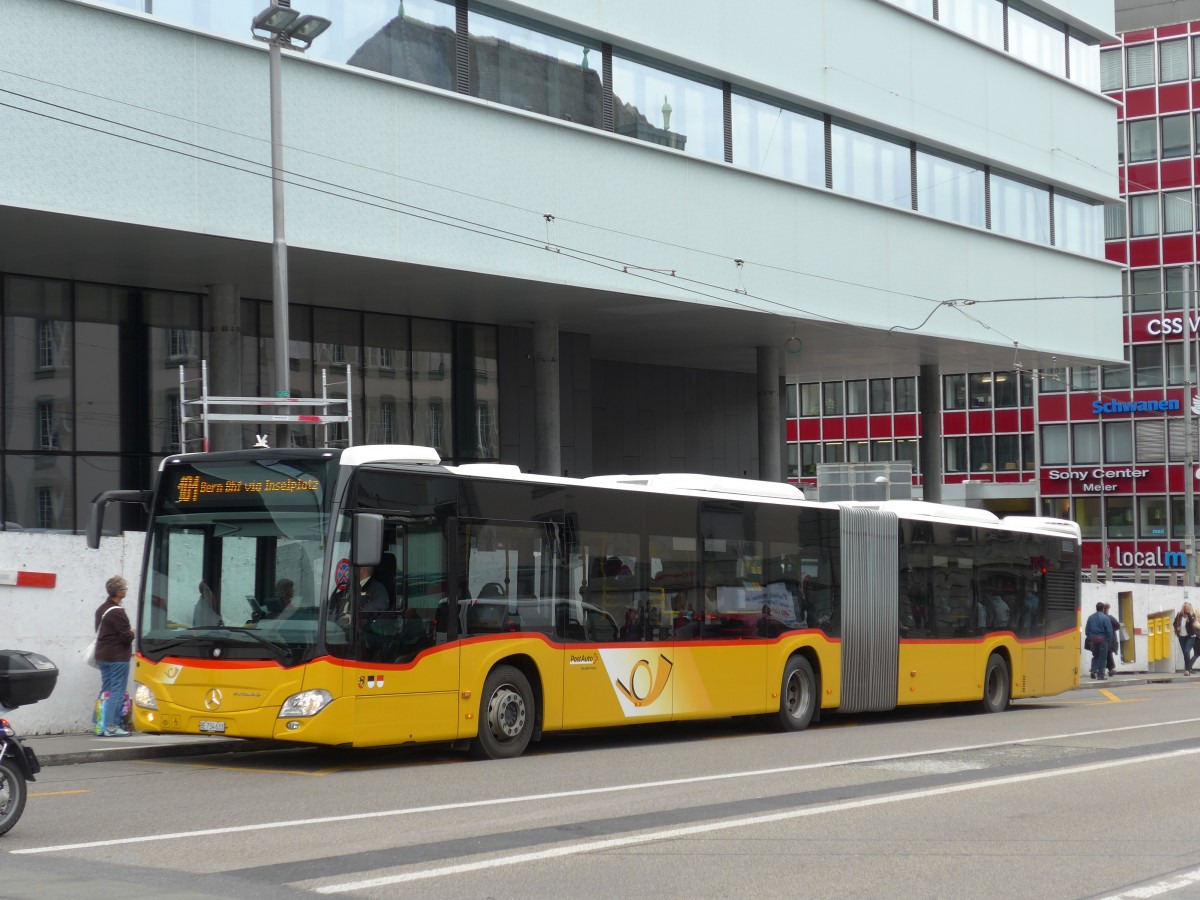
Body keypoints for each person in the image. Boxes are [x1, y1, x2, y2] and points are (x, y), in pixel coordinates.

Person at [94, 575, 135, 737]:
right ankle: (111, 726)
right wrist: (132, 633)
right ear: (119, 592)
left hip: (102, 655)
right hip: (117, 656)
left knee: (106, 690)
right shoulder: (117, 612)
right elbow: (125, 636)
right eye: (124, 588)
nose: (126, 591)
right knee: (117, 691)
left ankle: (100, 725)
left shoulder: (101, 609)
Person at [1084, 601, 1115, 681]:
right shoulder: (1105, 618)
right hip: (1103, 640)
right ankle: (1101, 675)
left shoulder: (1090, 617)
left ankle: (1093, 671)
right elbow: (1109, 631)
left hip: (1093, 640)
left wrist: (1090, 637)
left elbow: (1087, 630)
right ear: (1103, 608)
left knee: (1095, 656)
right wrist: (1108, 641)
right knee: (1103, 658)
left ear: (1096, 608)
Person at [1173, 602, 1199, 675]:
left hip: (1190, 636)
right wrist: (1176, 627)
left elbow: (1192, 622)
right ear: (1183, 608)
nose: (1187, 608)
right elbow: (1174, 623)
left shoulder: (1192, 615)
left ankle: (1187, 670)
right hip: (1181, 636)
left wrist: (1189, 614)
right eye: (1186, 607)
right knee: (1185, 653)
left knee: (1187, 651)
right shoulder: (1179, 615)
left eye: (1188, 607)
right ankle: (1188, 668)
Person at [1103, 602, 1121, 677]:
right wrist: (1112, 630)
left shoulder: (1100, 617)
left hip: (1103, 639)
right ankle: (1110, 670)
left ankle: (1108, 670)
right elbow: (1118, 625)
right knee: (1108, 654)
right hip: (1110, 639)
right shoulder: (1110, 617)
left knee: (1105, 654)